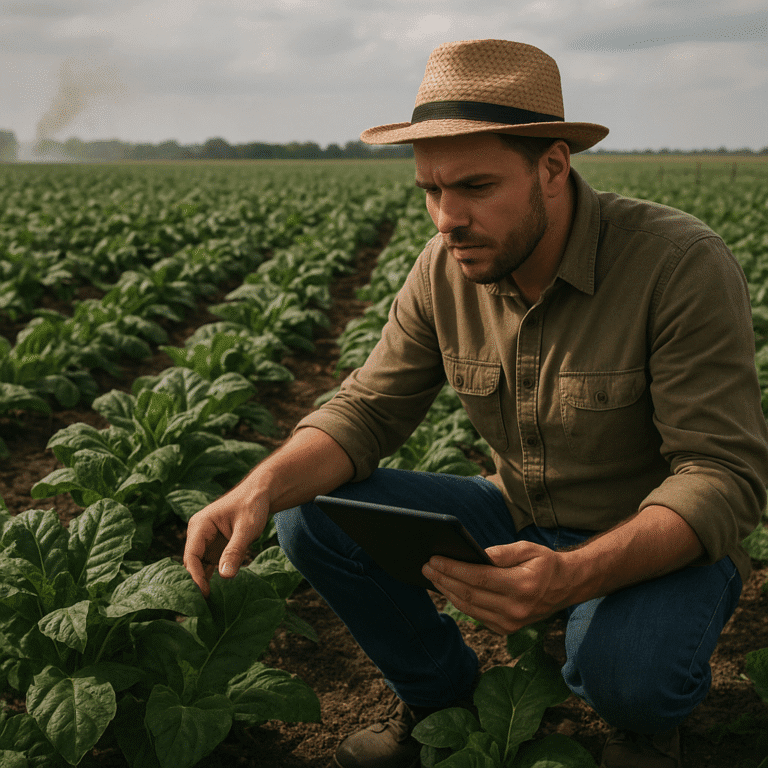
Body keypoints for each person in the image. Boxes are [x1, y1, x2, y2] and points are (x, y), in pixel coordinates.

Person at [183, 39, 768, 768]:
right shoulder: (444, 269)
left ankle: (644, 723)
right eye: (431, 190)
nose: (445, 217)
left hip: (656, 539)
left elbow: (722, 476)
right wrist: (260, 486)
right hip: (518, 514)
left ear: (552, 167)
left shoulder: (677, 264)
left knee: (627, 676)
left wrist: (573, 576)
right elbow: (366, 410)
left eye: (475, 186)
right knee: (310, 513)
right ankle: (440, 702)